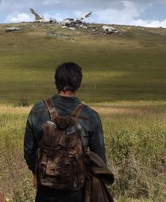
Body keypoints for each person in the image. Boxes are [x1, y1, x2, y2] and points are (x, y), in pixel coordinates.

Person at [24, 62, 107, 202]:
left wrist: (38, 173)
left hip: (45, 190)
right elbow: (100, 160)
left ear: (56, 82)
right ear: (78, 83)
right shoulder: (90, 116)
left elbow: (28, 152)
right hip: (77, 191)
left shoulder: (37, 110)